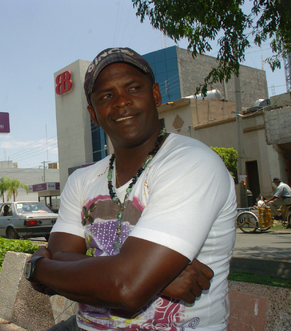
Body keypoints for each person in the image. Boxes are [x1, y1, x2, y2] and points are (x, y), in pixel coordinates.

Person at [24, 48, 237, 330]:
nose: (122, 101)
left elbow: (126, 289)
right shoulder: (82, 179)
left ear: (156, 95)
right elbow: (62, 261)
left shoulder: (191, 163)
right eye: (106, 96)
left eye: (133, 88)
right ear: (93, 114)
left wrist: (38, 268)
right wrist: (154, 277)